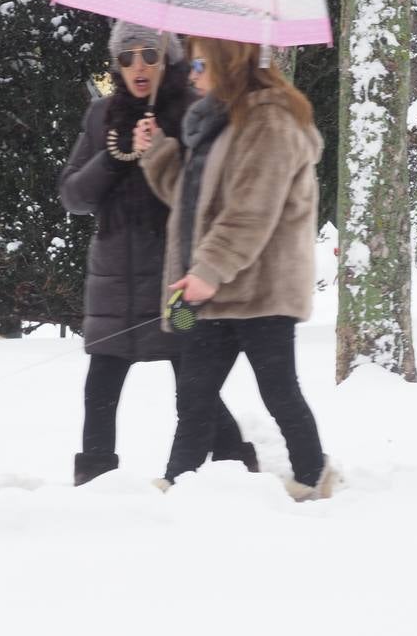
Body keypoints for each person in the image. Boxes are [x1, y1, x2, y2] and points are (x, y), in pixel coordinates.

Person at [135, 36, 336, 500]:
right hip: (214, 287)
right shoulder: (220, 124)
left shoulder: (270, 121)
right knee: (194, 395)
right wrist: (157, 151)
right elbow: (192, 205)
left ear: (230, 62)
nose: (192, 73)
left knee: (278, 391)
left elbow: (251, 212)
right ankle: (178, 480)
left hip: (259, 289)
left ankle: (312, 476)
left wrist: (209, 269)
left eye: (201, 62)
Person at [58, 20, 257, 487]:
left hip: (177, 279)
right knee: (101, 386)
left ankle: (231, 459)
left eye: (149, 53)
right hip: (113, 284)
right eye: (126, 57)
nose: (138, 65)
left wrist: (162, 150)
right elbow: (73, 196)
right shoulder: (100, 117)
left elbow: (209, 196)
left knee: (192, 380)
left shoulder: (195, 111)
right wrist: (116, 154)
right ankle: (95, 477)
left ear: (167, 56)